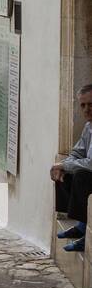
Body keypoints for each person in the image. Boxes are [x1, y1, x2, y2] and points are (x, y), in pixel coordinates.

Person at [50, 83, 92, 253]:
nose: (86, 109)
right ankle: (81, 225)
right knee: (62, 173)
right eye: (83, 105)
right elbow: (77, 152)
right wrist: (62, 166)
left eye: (91, 104)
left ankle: (86, 232)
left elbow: (91, 163)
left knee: (81, 176)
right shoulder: (89, 126)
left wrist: (64, 164)